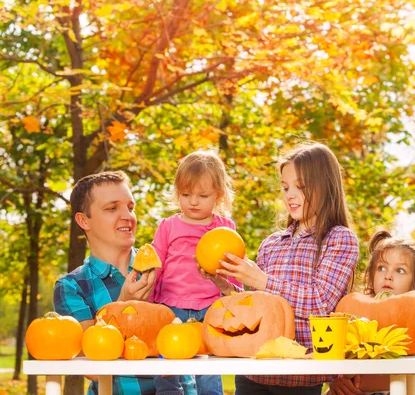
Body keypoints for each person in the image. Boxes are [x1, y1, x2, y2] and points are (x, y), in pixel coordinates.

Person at [204, 142, 360, 394]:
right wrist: (224, 284)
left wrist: (262, 280)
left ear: (326, 186)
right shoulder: (270, 244)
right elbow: (256, 310)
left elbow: (320, 303)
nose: (290, 195)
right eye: (286, 187)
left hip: (301, 377)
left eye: (301, 187)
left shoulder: (339, 239)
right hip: (253, 373)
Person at [53, 171, 196, 395]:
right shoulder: (72, 287)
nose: (127, 216)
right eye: (112, 208)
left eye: (130, 207)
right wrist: (123, 304)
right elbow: (90, 367)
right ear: (83, 220)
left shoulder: (165, 268)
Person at [149, 150, 238, 395]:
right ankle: (168, 393)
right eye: (186, 194)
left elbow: (232, 264)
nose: (193, 201)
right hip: (172, 304)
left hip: (209, 306)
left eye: (202, 195)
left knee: (207, 364)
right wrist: (150, 298)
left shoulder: (224, 227)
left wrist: (230, 300)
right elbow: (157, 263)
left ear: (218, 196)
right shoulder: (169, 226)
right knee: (168, 361)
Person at [326, 229, 415, 395]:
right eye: (382, 268)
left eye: (400, 271)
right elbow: (338, 356)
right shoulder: (354, 307)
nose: (388, 276)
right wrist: (338, 381)